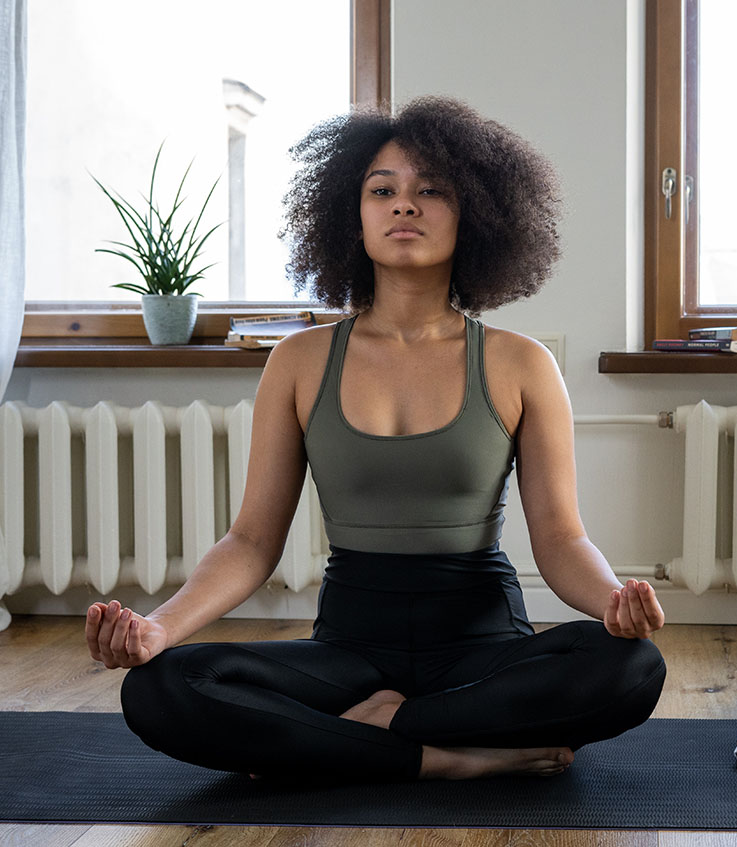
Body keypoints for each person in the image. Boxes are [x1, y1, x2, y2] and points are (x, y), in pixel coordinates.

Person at [83, 97, 667, 783]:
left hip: (481, 647)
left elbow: (562, 539)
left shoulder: (520, 363)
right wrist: (158, 628)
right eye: (382, 189)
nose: (404, 206)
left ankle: (372, 732)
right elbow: (250, 542)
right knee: (162, 685)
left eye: (430, 190)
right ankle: (440, 755)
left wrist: (611, 605)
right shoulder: (298, 361)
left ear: (473, 211)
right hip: (350, 651)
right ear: (350, 216)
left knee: (632, 666)